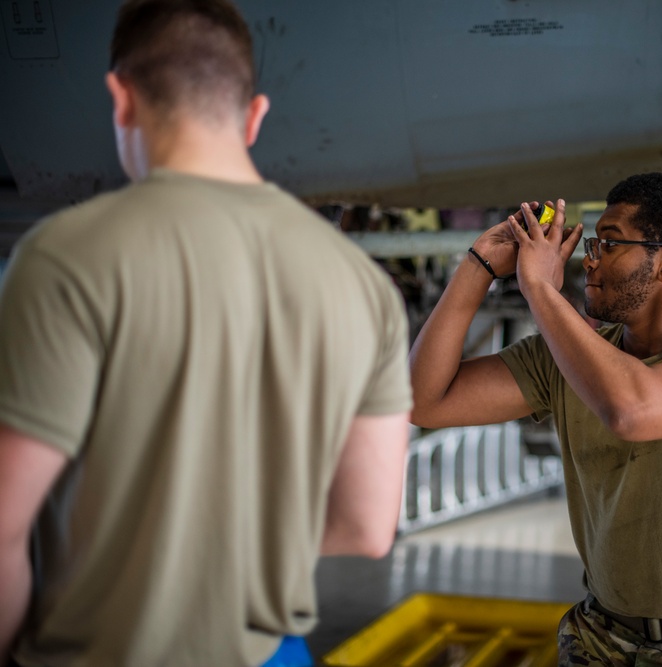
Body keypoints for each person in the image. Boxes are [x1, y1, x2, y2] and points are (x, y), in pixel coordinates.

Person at [0, 1, 412, 665]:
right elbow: (368, 527)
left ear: (120, 98)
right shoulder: (362, 287)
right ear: (253, 116)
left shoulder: (66, 257)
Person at [409, 173, 662, 666]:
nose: (590, 258)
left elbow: (632, 409)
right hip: (600, 639)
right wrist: (478, 267)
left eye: (610, 244)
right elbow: (425, 400)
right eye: (592, 242)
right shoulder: (565, 360)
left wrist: (540, 289)